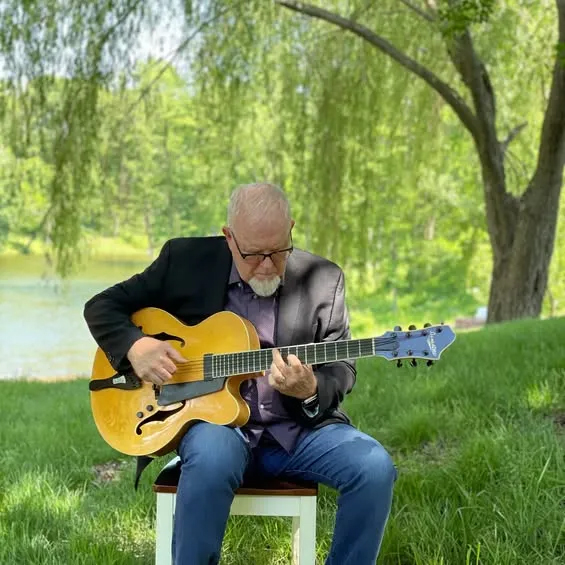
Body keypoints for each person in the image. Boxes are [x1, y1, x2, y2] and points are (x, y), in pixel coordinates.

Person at [83, 182, 396, 565]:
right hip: (218, 430)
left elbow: (341, 367)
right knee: (213, 455)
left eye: (277, 252)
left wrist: (311, 388)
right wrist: (136, 346)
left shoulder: (324, 280)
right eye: (252, 254)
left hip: (297, 432)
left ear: (291, 230)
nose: (266, 265)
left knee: (374, 467)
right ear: (228, 238)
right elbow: (102, 306)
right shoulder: (184, 260)